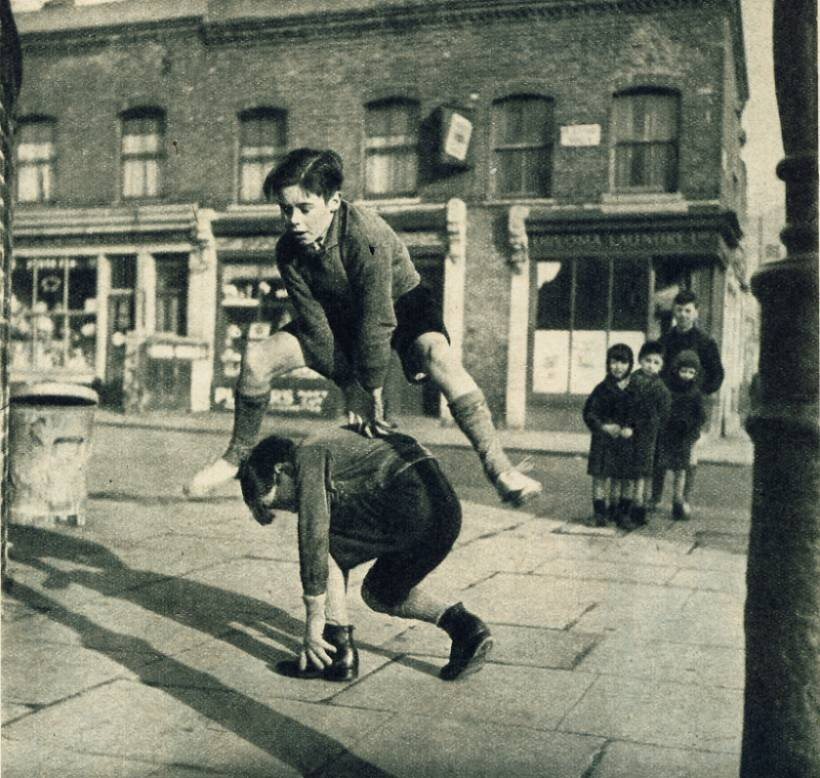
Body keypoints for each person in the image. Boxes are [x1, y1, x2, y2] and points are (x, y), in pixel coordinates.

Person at [187, 148, 541, 507]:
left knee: (439, 357)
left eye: (304, 208)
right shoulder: (288, 251)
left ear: (334, 201)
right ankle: (235, 458)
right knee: (257, 358)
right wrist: (350, 387)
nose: (293, 220)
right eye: (285, 209)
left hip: (401, 302)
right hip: (337, 314)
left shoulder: (366, 235)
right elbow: (315, 327)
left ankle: (500, 468)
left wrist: (370, 387)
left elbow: (379, 317)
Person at [239, 426, 493, 682]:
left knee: (325, 544)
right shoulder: (335, 439)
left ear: (280, 470)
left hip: (410, 499)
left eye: (286, 501)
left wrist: (314, 622)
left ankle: (337, 654)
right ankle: (466, 628)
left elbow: (313, 532)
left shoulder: (308, 453)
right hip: (446, 512)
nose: (294, 508)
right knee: (381, 592)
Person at [651, 289, 724, 510]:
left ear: (696, 313)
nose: (683, 315)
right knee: (659, 452)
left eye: (688, 310)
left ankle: (682, 500)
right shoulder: (664, 340)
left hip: (691, 409)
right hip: (666, 406)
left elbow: (717, 374)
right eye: (679, 310)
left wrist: (699, 393)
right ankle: (654, 498)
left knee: (688, 455)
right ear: (673, 311)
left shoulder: (705, 342)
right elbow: (656, 369)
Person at [582, 343, 635, 529]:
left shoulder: (634, 389)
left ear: (630, 364)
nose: (618, 367)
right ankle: (599, 514)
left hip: (625, 442)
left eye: (623, 362)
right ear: (608, 363)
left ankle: (622, 513)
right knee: (600, 477)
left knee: (624, 479)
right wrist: (603, 427)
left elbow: (640, 413)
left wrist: (631, 427)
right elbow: (589, 413)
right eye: (614, 362)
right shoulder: (601, 389)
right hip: (603, 441)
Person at [655, 350, 707, 520]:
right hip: (668, 434)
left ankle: (679, 501)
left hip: (686, 436)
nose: (686, 375)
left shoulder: (695, 393)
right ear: (676, 370)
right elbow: (662, 409)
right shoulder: (668, 389)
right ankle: (654, 499)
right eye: (683, 371)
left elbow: (701, 416)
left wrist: (693, 432)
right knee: (660, 466)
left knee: (682, 470)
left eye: (691, 372)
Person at [626, 341, 671, 529]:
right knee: (628, 469)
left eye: (656, 362)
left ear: (661, 366)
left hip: (650, 435)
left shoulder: (661, 388)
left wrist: (658, 423)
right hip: (630, 431)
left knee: (644, 471)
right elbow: (624, 404)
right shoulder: (631, 381)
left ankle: (639, 507)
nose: (651, 366)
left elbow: (665, 411)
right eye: (647, 361)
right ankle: (625, 505)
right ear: (639, 360)